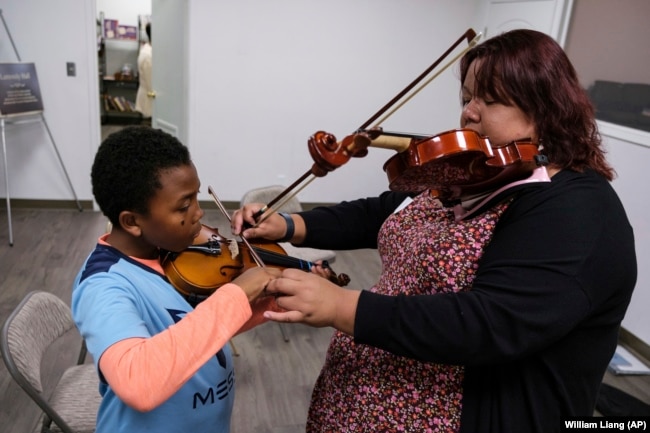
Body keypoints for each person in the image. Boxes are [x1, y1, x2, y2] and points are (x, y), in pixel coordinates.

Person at [232, 29, 637, 433]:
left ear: (547, 108)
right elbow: (387, 212)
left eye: (490, 100)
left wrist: (343, 307)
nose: (469, 113)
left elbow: (492, 323)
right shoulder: (482, 174)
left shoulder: (579, 210)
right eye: (467, 97)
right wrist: (288, 224)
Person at [72, 126, 280, 433]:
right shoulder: (103, 285)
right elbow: (137, 382)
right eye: (183, 207)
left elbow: (194, 327)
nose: (198, 214)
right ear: (132, 222)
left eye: (195, 198)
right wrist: (236, 294)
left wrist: (269, 300)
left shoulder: (170, 255)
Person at [135, 22, 153, 119]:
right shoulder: (148, 56)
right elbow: (151, 85)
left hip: (149, 97)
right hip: (149, 99)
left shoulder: (148, 50)